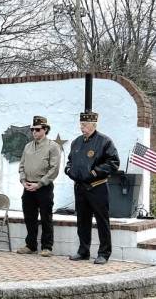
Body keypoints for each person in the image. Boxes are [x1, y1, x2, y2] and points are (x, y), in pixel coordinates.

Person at [65, 111, 120, 265]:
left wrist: (95, 172)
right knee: (82, 220)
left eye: (85, 125)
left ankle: (104, 253)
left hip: (97, 187)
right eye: (81, 124)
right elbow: (70, 161)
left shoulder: (104, 141)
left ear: (94, 125)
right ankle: (83, 251)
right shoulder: (76, 142)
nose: (82, 127)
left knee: (102, 221)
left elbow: (113, 162)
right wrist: (69, 170)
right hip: (80, 187)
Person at [17, 116, 61, 257]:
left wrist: (40, 183)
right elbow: (22, 165)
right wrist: (23, 180)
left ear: (45, 130)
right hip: (28, 185)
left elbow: (54, 169)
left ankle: (47, 246)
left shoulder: (53, 146)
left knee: (46, 217)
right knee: (29, 217)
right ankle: (31, 245)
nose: (34, 132)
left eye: (37, 129)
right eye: (32, 129)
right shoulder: (27, 146)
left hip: (43, 187)